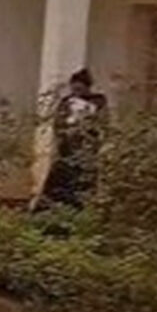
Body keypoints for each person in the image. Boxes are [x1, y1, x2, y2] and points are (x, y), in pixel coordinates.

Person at [38, 68, 108, 211]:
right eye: (74, 88)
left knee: (83, 183)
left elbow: (101, 123)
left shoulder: (98, 101)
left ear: (87, 87)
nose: (76, 92)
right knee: (58, 182)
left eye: (79, 89)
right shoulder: (66, 102)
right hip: (66, 150)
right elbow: (58, 123)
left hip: (86, 151)